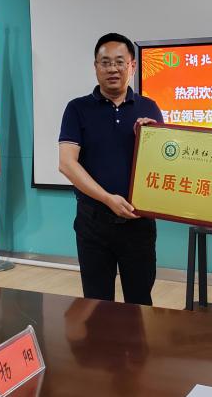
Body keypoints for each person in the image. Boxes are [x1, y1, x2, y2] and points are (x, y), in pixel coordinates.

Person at [59, 33, 163, 305]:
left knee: (139, 302)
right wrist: (107, 199)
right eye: (105, 62)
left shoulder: (149, 108)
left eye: (119, 62)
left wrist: (152, 138)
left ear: (132, 66)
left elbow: (164, 164)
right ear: (96, 67)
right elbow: (67, 164)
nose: (112, 69)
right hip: (93, 222)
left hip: (138, 223)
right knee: (96, 303)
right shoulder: (77, 108)